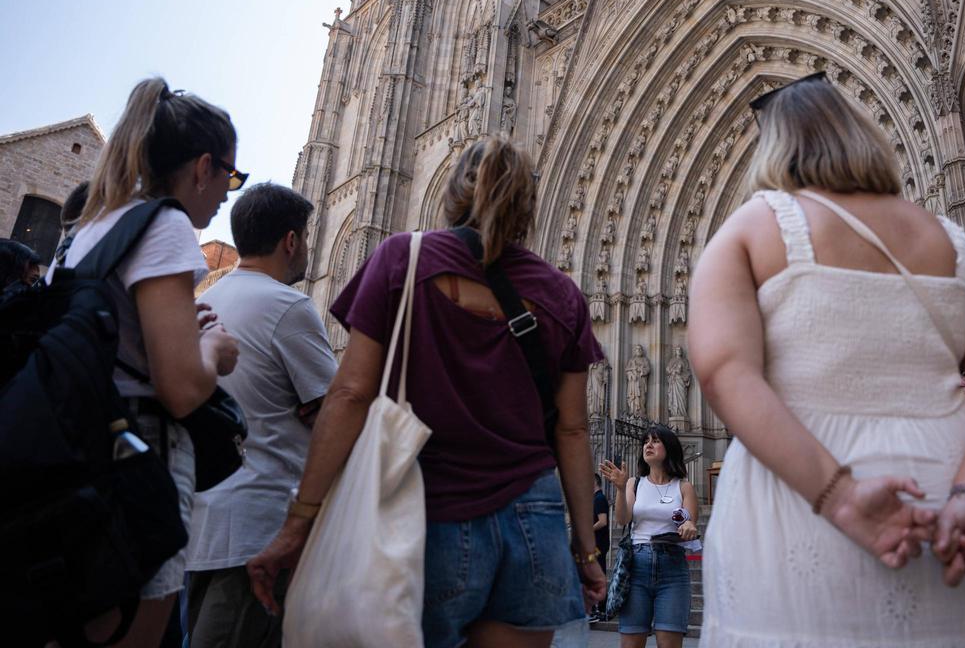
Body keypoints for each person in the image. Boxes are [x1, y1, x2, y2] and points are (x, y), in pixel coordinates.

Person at [687, 74, 965, 645]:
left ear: (773, 151)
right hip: (952, 508)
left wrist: (839, 497)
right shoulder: (950, 241)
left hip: (801, 506)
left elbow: (723, 372)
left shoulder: (755, 227)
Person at [248, 136, 607, 648]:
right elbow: (572, 429)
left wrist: (300, 519)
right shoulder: (564, 295)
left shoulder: (404, 258)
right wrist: (587, 551)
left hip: (430, 511)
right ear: (530, 205)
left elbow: (350, 395)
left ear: (454, 193)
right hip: (536, 519)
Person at [47, 77, 242, 646]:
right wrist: (214, 349)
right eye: (230, 175)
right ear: (203, 167)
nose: (229, 194)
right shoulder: (165, 224)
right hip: (135, 464)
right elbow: (181, 388)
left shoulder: (91, 225)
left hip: (79, 454)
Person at [185, 183, 336, 648]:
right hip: (260, 529)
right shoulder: (286, 306)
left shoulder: (207, 300)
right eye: (308, 237)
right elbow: (333, 412)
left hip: (202, 524)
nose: (309, 249)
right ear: (291, 240)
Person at [598, 425, 698, 648]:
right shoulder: (636, 483)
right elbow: (622, 519)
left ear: (669, 448)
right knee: (631, 643)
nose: (648, 445)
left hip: (672, 567)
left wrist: (688, 524)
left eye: (655, 441)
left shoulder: (683, 487)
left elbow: (688, 521)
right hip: (637, 566)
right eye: (645, 442)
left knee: (669, 643)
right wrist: (622, 489)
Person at [590, 473, 610, 622]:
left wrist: (586, 529)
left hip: (599, 545)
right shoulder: (596, 499)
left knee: (598, 575)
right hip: (596, 544)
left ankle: (602, 609)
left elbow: (602, 522)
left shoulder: (599, 499)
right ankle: (598, 608)